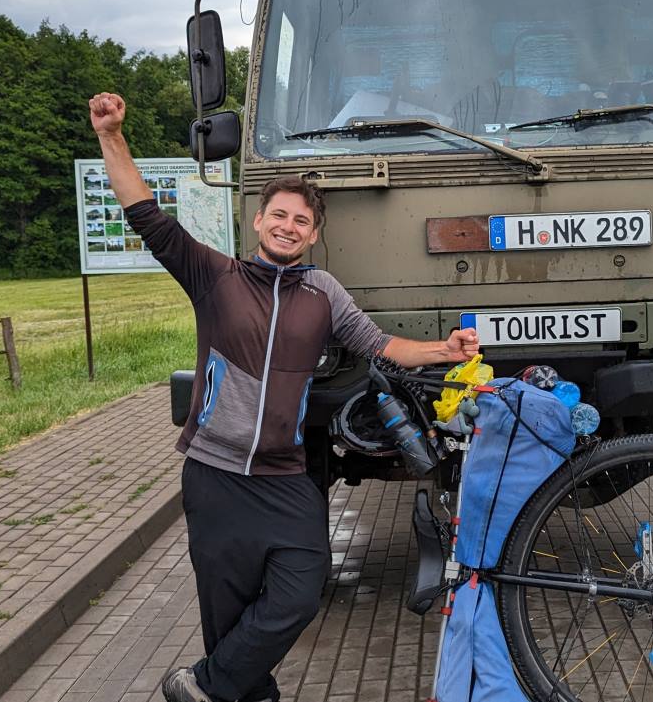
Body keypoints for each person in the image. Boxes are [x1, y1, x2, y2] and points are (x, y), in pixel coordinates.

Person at [88, 92, 479, 702]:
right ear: (257, 220)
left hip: (284, 476)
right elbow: (145, 213)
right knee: (227, 615)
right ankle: (241, 692)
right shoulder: (215, 277)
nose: (288, 226)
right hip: (215, 476)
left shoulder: (322, 292)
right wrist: (112, 136)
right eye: (279, 215)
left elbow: (379, 344)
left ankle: (205, 688)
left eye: (301, 220)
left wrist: (444, 351)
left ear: (313, 234)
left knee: (301, 589)